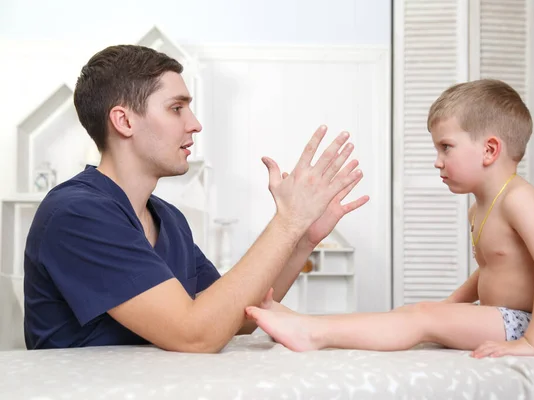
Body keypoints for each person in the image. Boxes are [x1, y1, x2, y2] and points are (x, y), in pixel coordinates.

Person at [22, 44, 369, 352]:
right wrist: (287, 220)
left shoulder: (169, 220)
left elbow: (238, 316)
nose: (196, 124)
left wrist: (301, 239)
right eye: (177, 108)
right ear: (124, 120)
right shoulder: (76, 214)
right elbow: (196, 334)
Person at [246, 79, 534, 357]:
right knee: (415, 313)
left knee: (422, 318)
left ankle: (313, 333)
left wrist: (532, 342)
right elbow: (492, 268)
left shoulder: (520, 200)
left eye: (446, 147)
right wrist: (450, 304)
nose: (437, 161)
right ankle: (307, 322)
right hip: (506, 318)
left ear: (490, 150)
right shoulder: (480, 207)